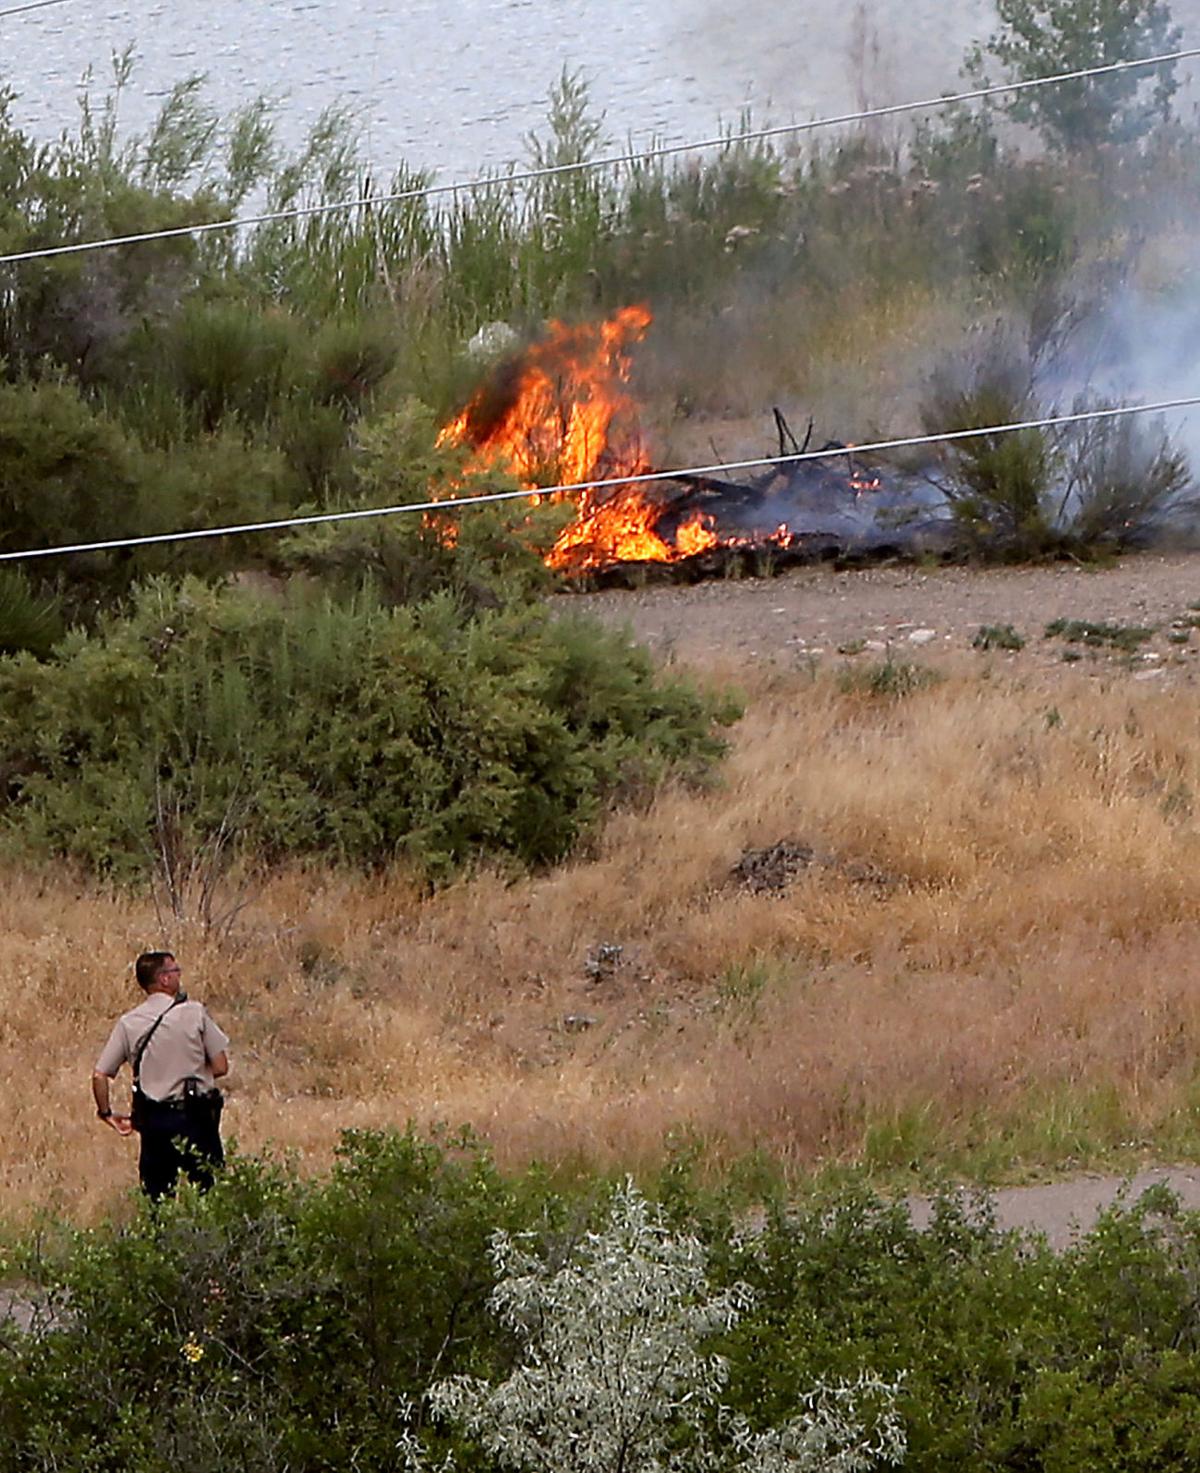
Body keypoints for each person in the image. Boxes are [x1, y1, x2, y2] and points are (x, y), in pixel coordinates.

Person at [92, 951, 231, 1200]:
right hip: (197, 1117)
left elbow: (100, 1074)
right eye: (176, 970)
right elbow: (221, 1066)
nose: (179, 975)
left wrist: (106, 1114)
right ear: (164, 979)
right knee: (211, 1195)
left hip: (155, 1122)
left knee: (157, 1199)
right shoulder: (195, 1012)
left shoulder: (129, 1022)